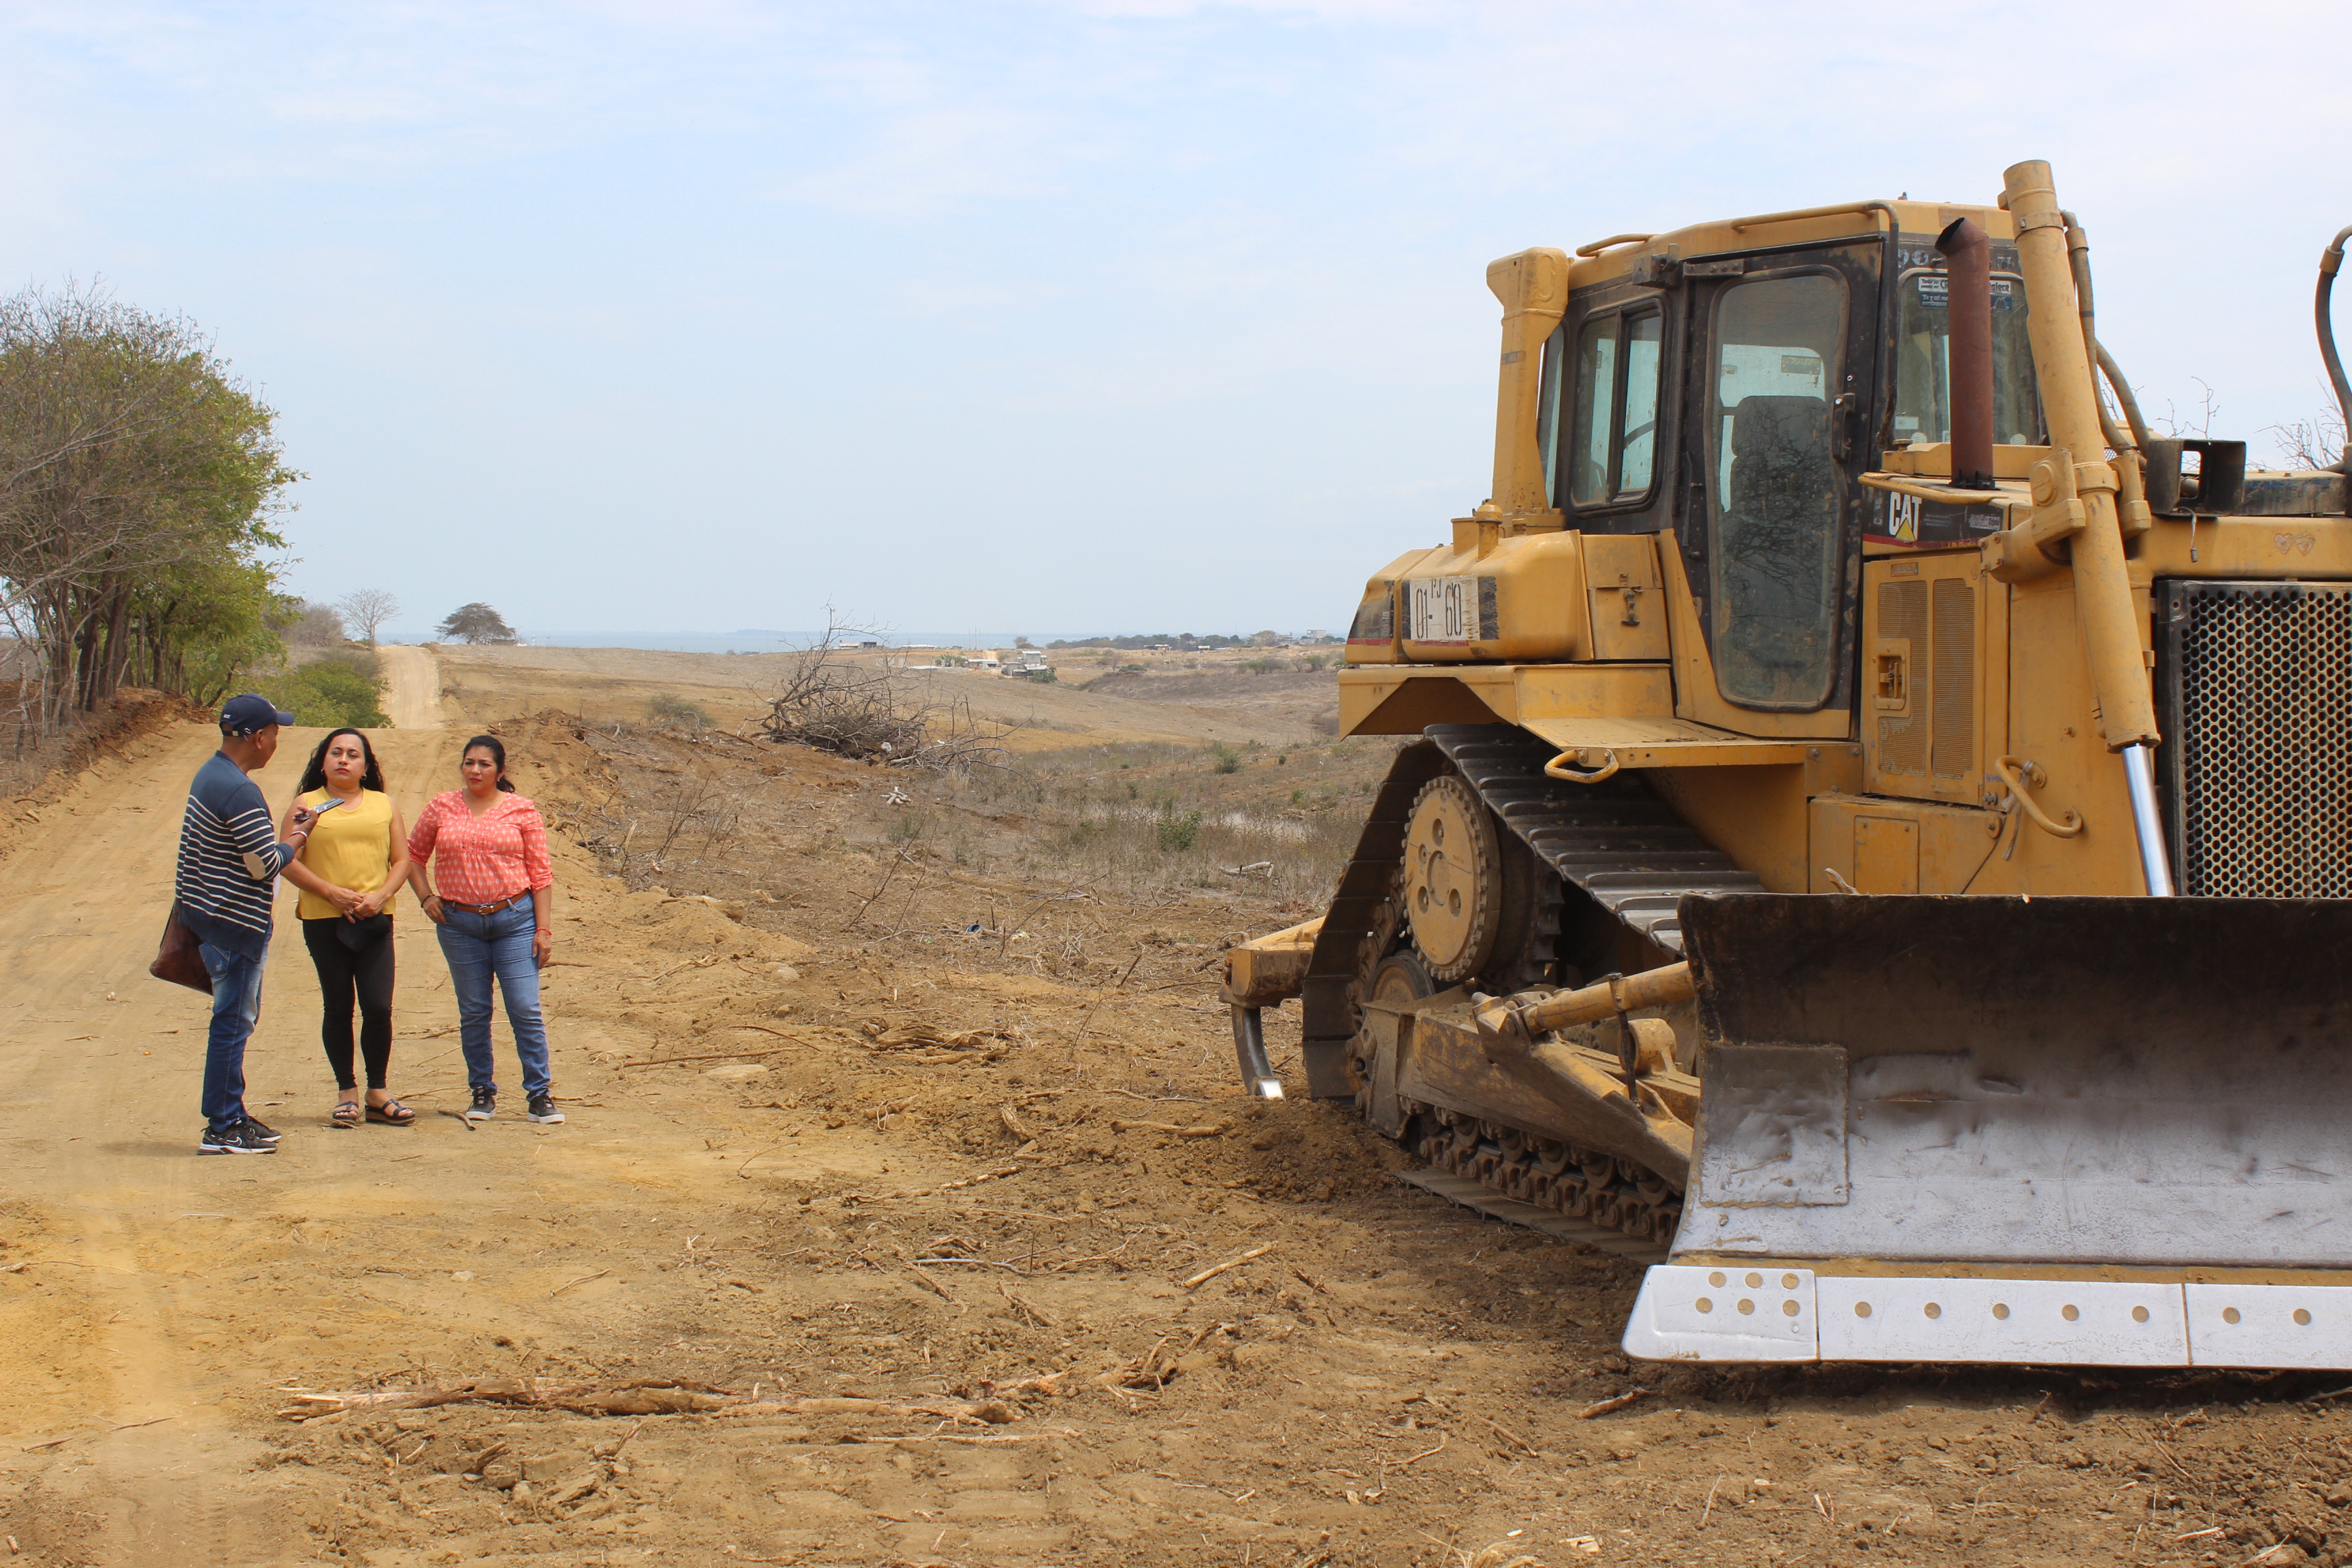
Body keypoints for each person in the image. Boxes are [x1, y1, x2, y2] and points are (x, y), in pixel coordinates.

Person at [174, 693, 317, 1155]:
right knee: (233, 1024)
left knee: (233, 1021)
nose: (276, 742)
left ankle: (232, 1113)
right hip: (233, 927)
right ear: (257, 738)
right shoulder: (240, 791)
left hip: (212, 920)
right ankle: (221, 1126)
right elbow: (263, 864)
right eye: (274, 733)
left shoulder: (210, 774)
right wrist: (299, 836)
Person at [406, 734, 564, 1124]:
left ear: (500, 770)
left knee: (524, 1008)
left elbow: (541, 874)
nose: (475, 770)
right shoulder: (441, 806)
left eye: (484, 764)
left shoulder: (521, 810)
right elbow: (412, 855)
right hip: (459, 925)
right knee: (475, 1010)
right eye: (469, 763)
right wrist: (426, 897)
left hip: (515, 921)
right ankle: (482, 1091)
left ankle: (539, 1094)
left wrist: (543, 929)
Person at [279, 728, 414, 1129]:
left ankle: (378, 1093)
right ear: (322, 763)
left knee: (378, 1006)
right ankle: (346, 1093)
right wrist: (330, 892)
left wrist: (380, 896)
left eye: (353, 755)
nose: (343, 760)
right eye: (335, 752)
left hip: (375, 918)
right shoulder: (306, 805)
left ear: (366, 766)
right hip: (324, 919)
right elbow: (285, 859)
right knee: (338, 1006)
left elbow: (402, 860)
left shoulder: (384, 805)